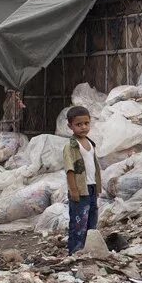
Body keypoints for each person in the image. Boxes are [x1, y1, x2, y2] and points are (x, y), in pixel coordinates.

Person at [63, 106, 102, 255]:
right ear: (70, 126)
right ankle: (75, 253)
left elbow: (94, 167)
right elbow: (70, 169)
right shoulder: (71, 146)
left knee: (92, 221)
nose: (83, 127)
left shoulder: (90, 143)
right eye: (79, 124)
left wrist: (97, 188)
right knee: (78, 224)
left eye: (86, 123)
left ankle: (89, 250)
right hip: (80, 189)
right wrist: (74, 190)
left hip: (91, 187)